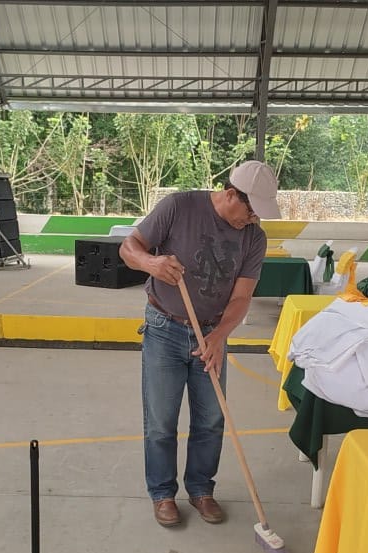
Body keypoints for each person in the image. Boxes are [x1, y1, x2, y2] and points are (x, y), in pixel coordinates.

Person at [119, 160, 281, 527]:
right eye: (251, 210)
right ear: (230, 194)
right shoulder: (179, 207)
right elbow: (129, 247)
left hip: (212, 332)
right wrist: (150, 263)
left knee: (211, 418)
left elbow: (241, 297)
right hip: (164, 328)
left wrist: (219, 336)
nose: (253, 219)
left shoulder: (254, 237)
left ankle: (201, 489)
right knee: (161, 420)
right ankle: (163, 493)